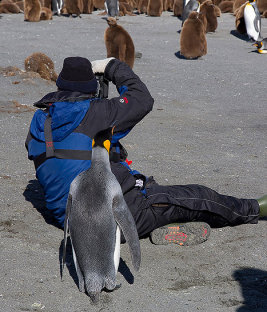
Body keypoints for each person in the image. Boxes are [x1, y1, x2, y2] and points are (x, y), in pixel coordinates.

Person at [25, 56, 267, 246]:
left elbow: (68, 151)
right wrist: (112, 67)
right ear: (90, 90)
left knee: (121, 167)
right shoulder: (96, 112)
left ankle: (159, 215)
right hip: (113, 220)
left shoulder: (40, 119)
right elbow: (142, 99)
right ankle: (255, 208)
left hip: (68, 219)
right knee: (195, 197)